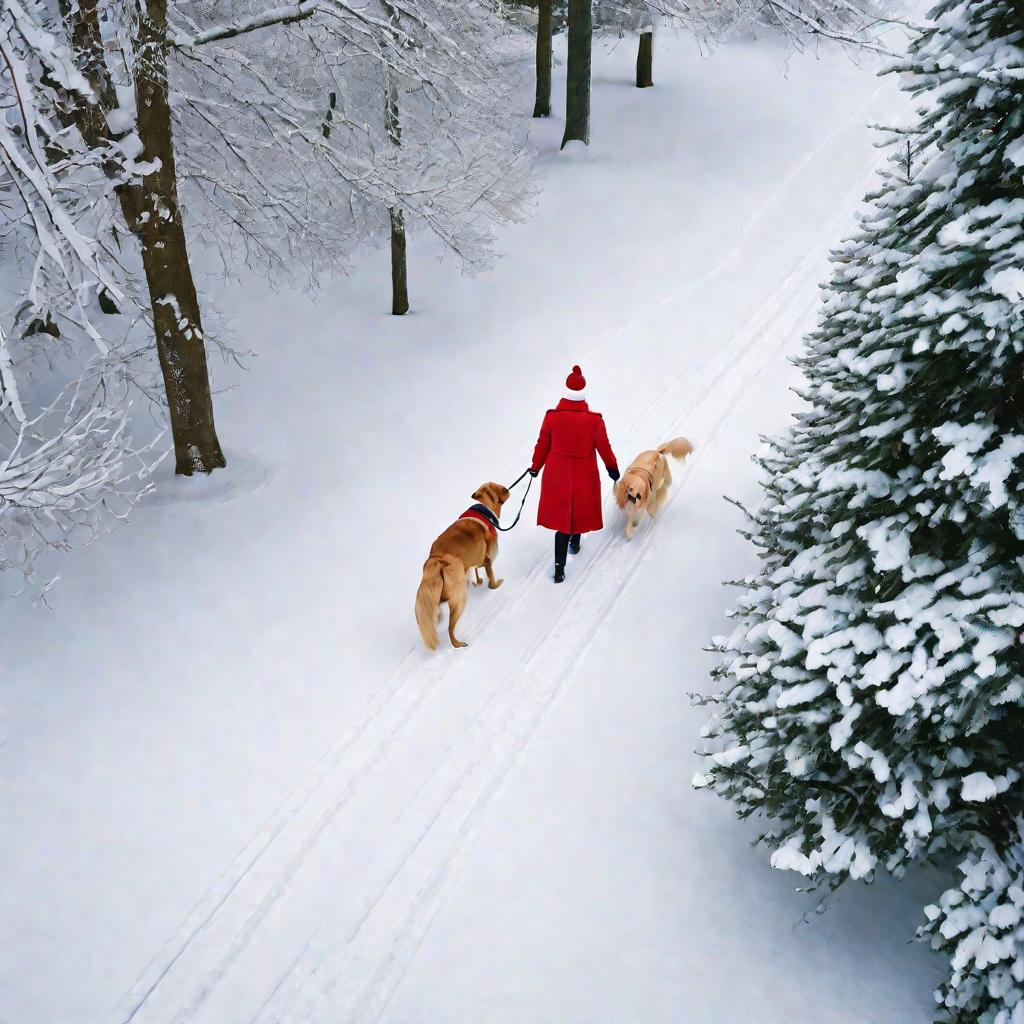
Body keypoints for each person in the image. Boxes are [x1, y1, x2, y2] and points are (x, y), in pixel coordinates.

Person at [529, 365, 619, 583]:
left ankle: (559, 570)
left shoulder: (551, 418)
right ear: (583, 395)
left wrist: (535, 466)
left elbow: (542, 445)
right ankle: (575, 544)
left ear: (565, 393)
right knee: (577, 512)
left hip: (556, 477)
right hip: (584, 476)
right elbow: (604, 447)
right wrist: (612, 469)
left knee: (562, 523)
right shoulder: (595, 421)